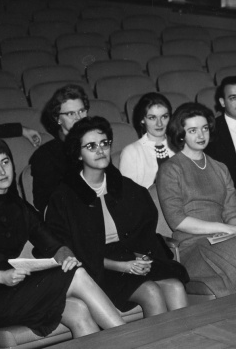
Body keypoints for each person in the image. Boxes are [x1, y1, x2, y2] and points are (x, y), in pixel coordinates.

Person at [0, 138, 125, 339]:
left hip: (15, 290)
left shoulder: (18, 206)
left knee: (79, 311)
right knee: (77, 275)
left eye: (5, 162)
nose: (2, 171)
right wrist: (0, 277)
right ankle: (131, 339)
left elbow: (54, 244)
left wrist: (66, 256)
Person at [45, 117, 189, 316]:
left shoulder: (126, 187)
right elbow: (76, 252)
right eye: (91, 146)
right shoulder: (64, 197)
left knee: (175, 286)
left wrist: (142, 258)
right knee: (150, 291)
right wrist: (123, 266)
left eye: (104, 143)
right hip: (97, 270)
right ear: (78, 154)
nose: (100, 150)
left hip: (129, 260)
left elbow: (145, 234)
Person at [156, 103, 236, 296]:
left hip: (225, 240)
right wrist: (224, 229)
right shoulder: (170, 169)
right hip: (192, 246)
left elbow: (232, 212)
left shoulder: (219, 167)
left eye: (204, 128)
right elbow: (177, 221)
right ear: (181, 134)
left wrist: (230, 230)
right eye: (193, 130)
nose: (201, 135)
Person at [30, 84, 90, 215]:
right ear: (58, 119)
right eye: (70, 113)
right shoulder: (45, 155)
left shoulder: (96, 144)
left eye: (82, 111)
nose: (79, 118)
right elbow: (45, 203)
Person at [119, 93, 175, 188]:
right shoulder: (131, 152)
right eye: (152, 118)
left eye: (164, 116)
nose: (159, 123)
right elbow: (128, 192)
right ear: (142, 120)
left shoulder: (180, 146)